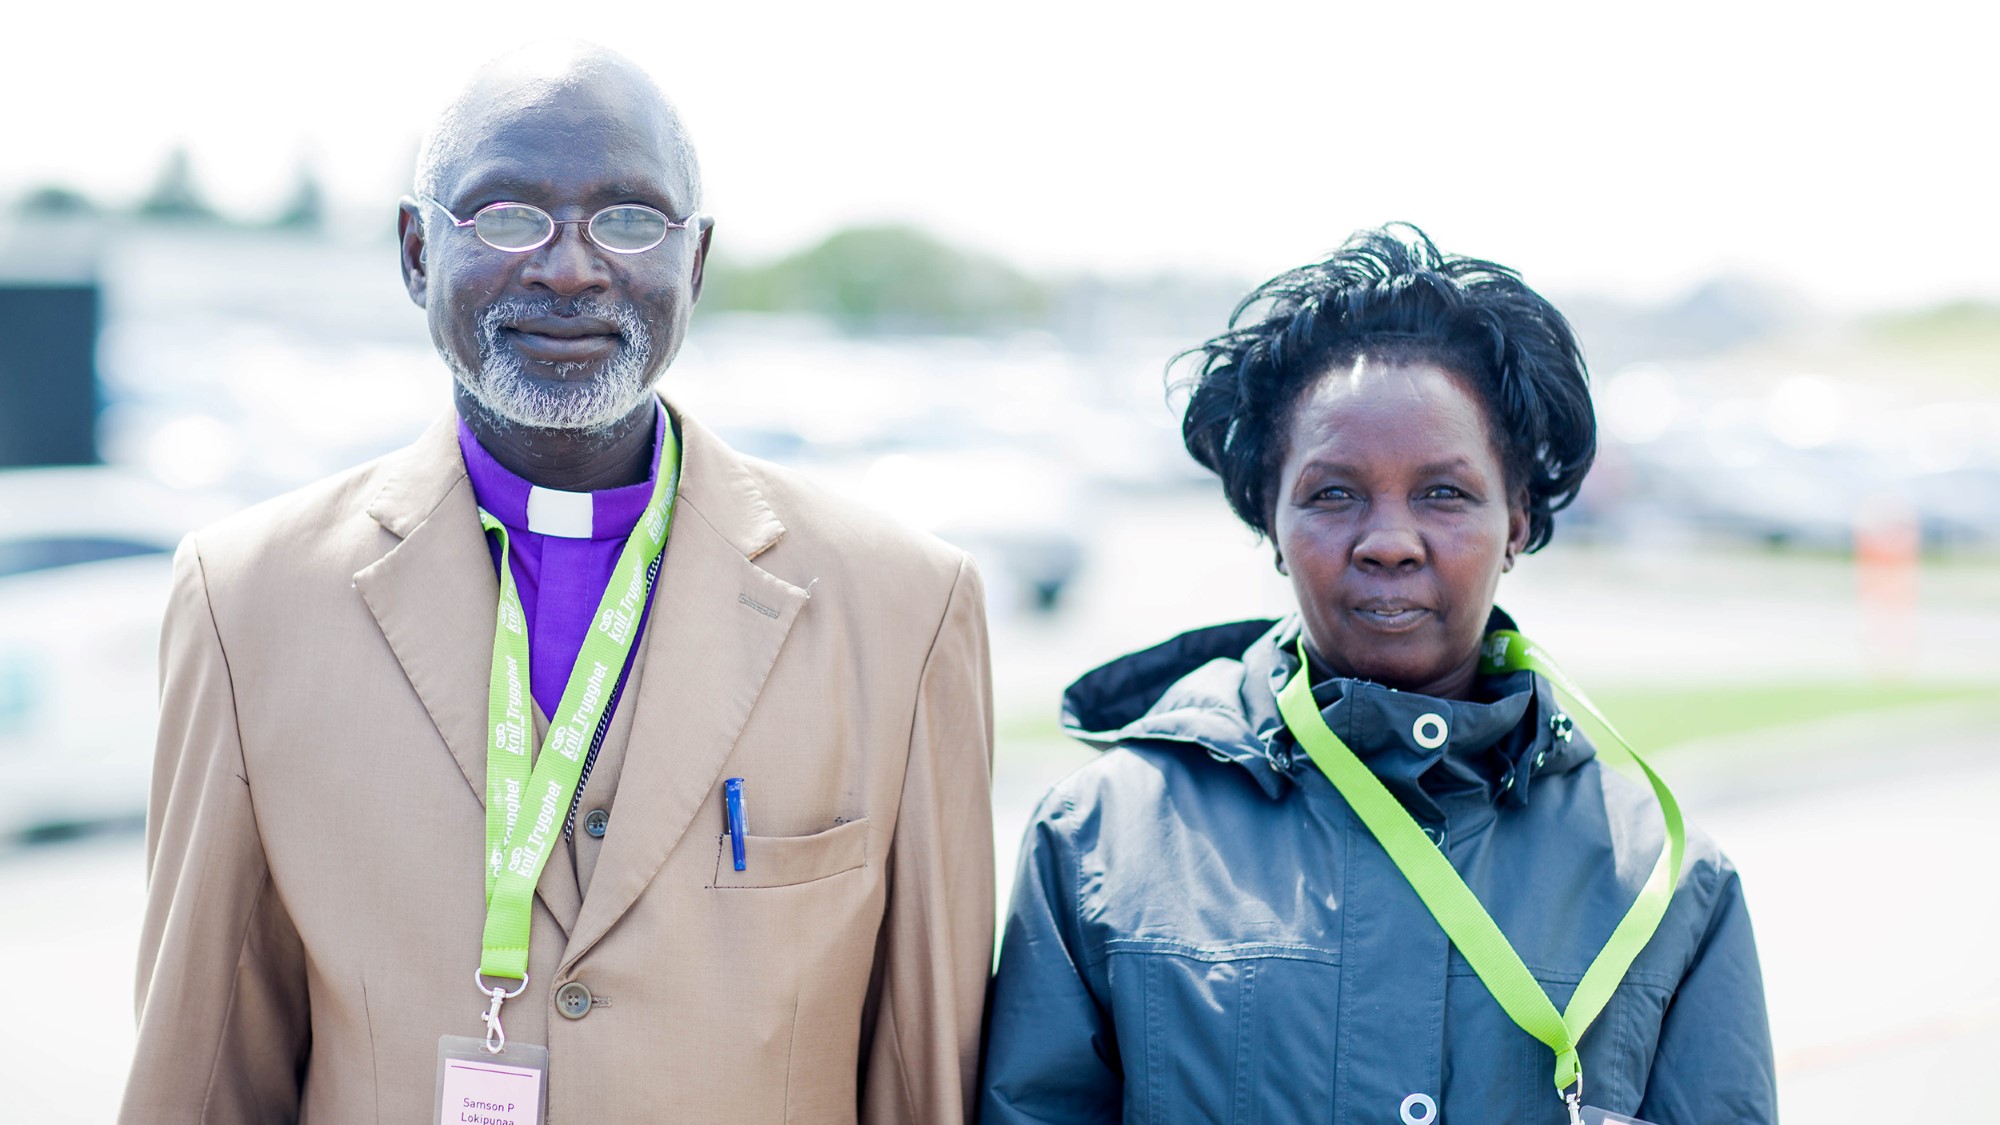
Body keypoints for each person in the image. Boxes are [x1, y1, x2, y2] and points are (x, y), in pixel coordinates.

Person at [122, 43, 995, 1124]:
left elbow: (925, 1078)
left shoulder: (903, 607)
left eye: (629, 219)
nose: (571, 268)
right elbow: (202, 1069)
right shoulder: (244, 601)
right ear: (414, 251)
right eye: (506, 215)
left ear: (698, 262)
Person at [981, 225, 1775, 1123]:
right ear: (1269, 521)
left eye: (1444, 492)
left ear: (1517, 518)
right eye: (1332, 493)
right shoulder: (1101, 836)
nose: (1389, 541)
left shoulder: (1664, 877)